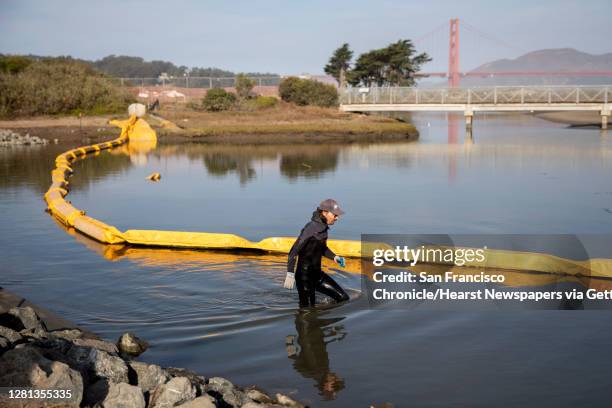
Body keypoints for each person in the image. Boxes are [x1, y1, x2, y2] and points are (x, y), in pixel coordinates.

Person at [285, 199, 350, 307]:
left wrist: (335, 257)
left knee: (343, 298)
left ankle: (324, 317)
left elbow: (322, 248)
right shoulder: (310, 228)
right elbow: (293, 251)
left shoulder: (323, 228)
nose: (337, 218)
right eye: (335, 215)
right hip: (304, 278)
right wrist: (290, 273)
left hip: (318, 276)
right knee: (307, 309)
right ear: (325, 213)